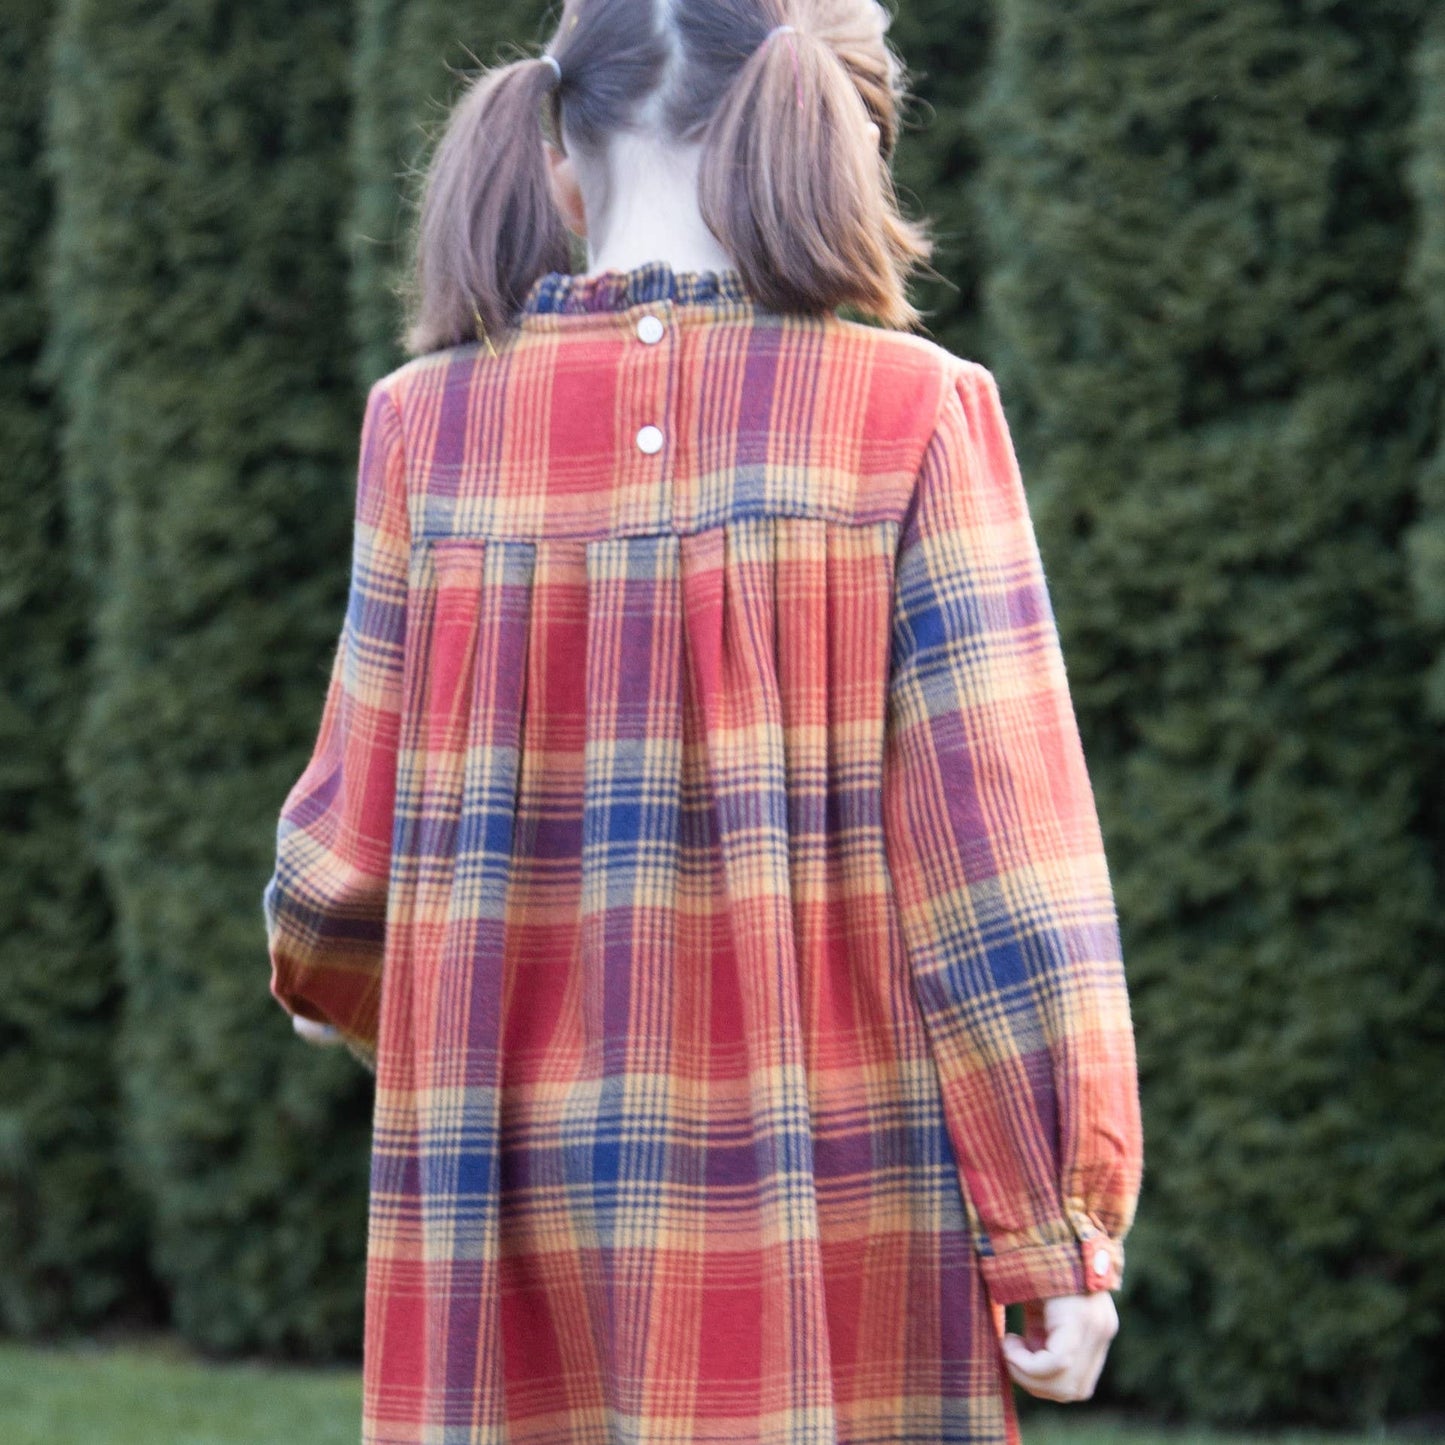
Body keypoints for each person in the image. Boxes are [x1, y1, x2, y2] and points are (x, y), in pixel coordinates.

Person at [263, 0, 1144, 1439]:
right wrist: (1054, 1227)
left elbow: (347, 860)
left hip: (499, 1208)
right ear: (821, 134)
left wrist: (326, 973)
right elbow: (999, 882)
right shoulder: (915, 412)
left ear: (556, 154)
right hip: (840, 1216)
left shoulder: (424, 428)